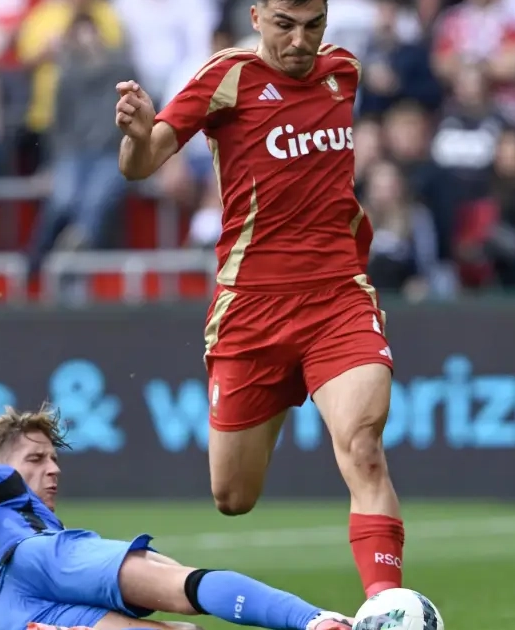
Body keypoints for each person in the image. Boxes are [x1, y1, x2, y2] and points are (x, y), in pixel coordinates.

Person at [113, 0, 404, 598]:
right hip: (251, 309)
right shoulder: (226, 77)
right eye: (284, 25)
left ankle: (388, 607)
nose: (300, 41)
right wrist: (137, 137)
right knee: (233, 496)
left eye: (313, 25)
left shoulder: (343, 71)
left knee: (364, 448)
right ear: (255, 17)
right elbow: (142, 164)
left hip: (337, 298)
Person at [0, 407, 356, 630]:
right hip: (34, 562)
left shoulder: (2, 525)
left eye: (54, 458)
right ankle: (316, 621)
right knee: (184, 585)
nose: (53, 469)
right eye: (36, 458)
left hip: (10, 616)